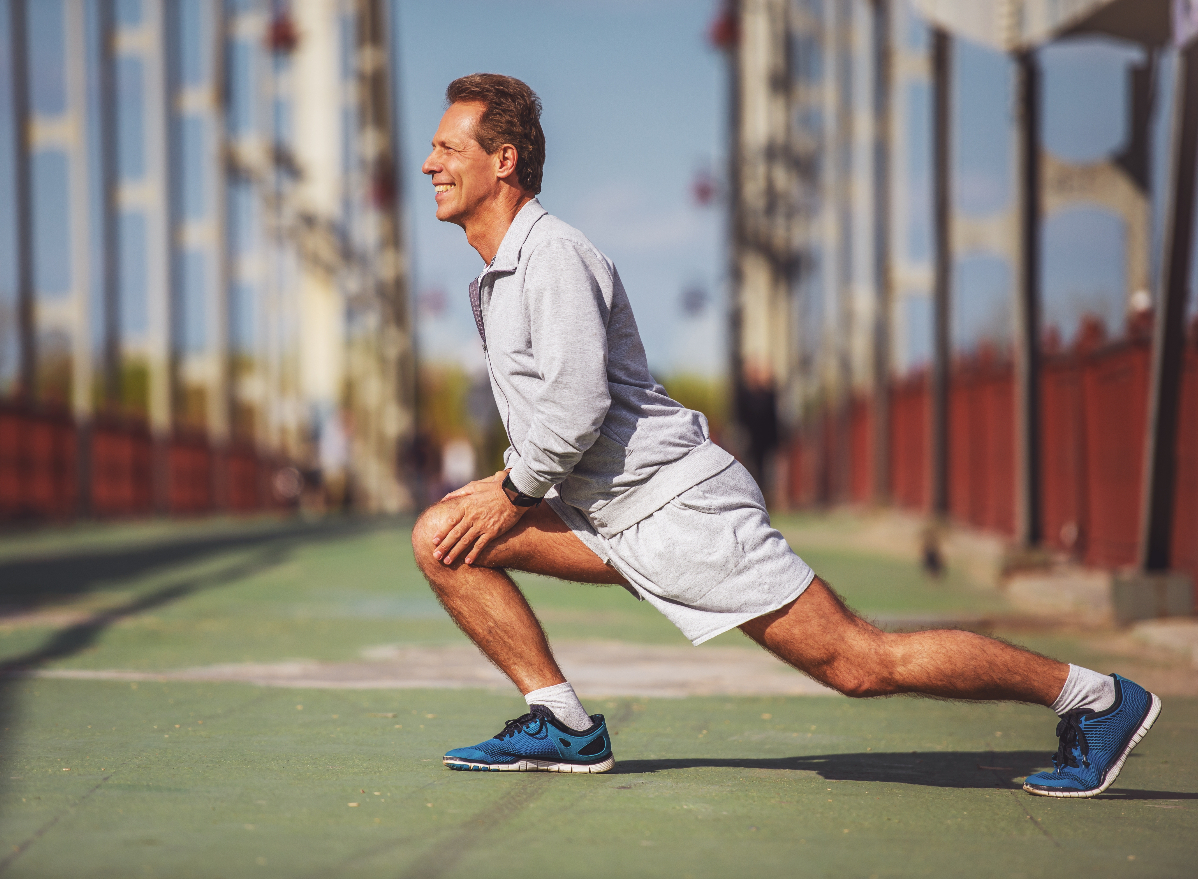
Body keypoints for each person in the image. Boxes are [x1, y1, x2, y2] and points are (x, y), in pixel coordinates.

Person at [411, 73, 1159, 796]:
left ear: (502, 161)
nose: (429, 163)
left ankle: (1094, 698)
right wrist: (501, 488)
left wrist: (510, 492)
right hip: (609, 514)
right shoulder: (504, 271)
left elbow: (577, 408)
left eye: (448, 148)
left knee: (858, 662)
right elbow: (554, 416)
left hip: (678, 511)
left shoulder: (553, 257)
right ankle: (561, 721)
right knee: (443, 535)